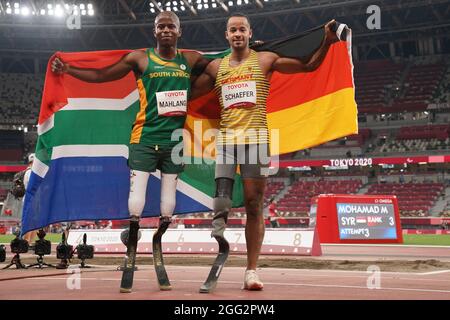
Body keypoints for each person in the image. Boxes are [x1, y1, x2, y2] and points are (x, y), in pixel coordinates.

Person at [51, 11, 211, 292]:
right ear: (154, 31)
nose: (165, 30)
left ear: (179, 31)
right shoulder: (139, 58)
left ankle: (158, 240)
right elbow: (102, 74)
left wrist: (249, 52)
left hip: (174, 140)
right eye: (160, 26)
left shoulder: (191, 59)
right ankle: (133, 237)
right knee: (136, 197)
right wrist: (69, 70)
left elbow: (223, 67)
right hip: (144, 138)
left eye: (170, 26)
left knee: (168, 200)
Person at [192, 13, 339, 290]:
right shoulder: (216, 67)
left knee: (253, 205)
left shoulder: (265, 60)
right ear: (226, 36)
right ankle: (220, 239)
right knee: (221, 202)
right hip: (226, 141)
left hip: (256, 140)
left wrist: (327, 41)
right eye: (232, 30)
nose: (237, 34)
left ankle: (251, 271)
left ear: (249, 33)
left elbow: (307, 66)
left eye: (242, 30)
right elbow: (189, 92)